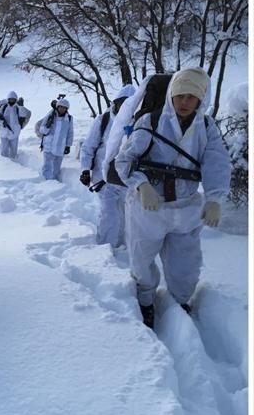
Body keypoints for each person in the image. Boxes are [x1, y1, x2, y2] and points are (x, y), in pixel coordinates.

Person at [114, 67, 232, 327]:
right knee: (142, 258)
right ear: (171, 95)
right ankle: (145, 301)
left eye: (191, 96)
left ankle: (179, 302)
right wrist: (141, 185)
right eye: (180, 95)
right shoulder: (151, 122)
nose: (184, 102)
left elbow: (217, 163)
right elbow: (124, 160)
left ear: (201, 98)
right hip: (148, 207)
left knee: (186, 264)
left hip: (186, 208)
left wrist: (214, 198)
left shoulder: (206, 127)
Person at [79, 84, 136, 248]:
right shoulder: (103, 120)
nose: (124, 107)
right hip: (104, 176)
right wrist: (85, 169)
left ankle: (123, 245)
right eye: (121, 103)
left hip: (127, 177)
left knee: (126, 213)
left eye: (128, 103)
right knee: (109, 212)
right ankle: (105, 247)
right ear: (115, 103)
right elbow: (89, 146)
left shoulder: (139, 122)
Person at [36, 97, 73, 181]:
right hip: (49, 145)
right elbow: (42, 130)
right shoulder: (50, 116)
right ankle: (46, 181)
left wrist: (68, 146)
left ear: (66, 109)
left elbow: (70, 133)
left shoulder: (69, 119)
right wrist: (47, 126)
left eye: (64, 108)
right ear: (57, 107)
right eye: (60, 107)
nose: (62, 109)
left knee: (56, 166)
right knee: (47, 165)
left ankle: (55, 181)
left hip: (60, 146)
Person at [0, 91, 24, 157]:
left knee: (14, 152)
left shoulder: (18, 108)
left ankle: (14, 161)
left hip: (14, 133)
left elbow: (24, 116)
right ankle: (4, 162)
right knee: (4, 151)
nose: (11, 101)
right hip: (4, 133)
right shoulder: (3, 107)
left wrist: (21, 107)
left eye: (13, 99)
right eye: (10, 99)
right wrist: (1, 123)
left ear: (15, 99)